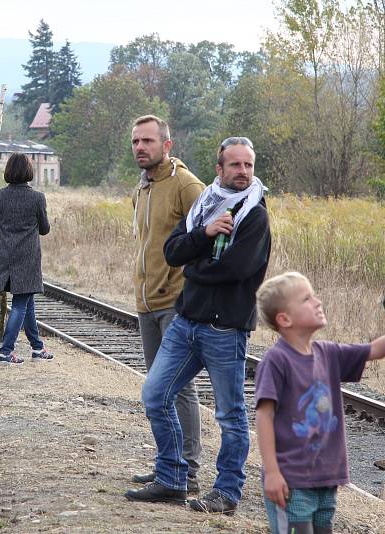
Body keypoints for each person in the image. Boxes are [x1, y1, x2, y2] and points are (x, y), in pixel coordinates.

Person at [125, 136, 271, 515]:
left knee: (230, 415)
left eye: (248, 165)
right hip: (186, 322)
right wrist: (204, 234)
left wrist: (194, 267)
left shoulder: (254, 214)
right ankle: (173, 477)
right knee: (155, 395)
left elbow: (235, 269)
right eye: (235, 165)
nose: (243, 172)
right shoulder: (204, 206)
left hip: (226, 329)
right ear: (219, 168)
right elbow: (172, 251)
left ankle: (226, 492)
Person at [254, 272, 385, 533]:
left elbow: (375, 350)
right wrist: (271, 472)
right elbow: (264, 417)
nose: (317, 301)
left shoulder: (329, 353)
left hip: (326, 480)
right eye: (306, 298)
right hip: (291, 481)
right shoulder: (277, 360)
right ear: (285, 319)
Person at [129, 115, 205, 494]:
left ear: (167, 145)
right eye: (136, 142)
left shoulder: (186, 185)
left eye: (148, 141)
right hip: (146, 302)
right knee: (158, 391)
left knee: (179, 388)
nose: (141, 147)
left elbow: (214, 234)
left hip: (177, 303)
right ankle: (167, 464)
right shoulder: (141, 187)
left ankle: (187, 471)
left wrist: (198, 291)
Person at [0, 153, 53, 365]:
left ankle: (37, 347)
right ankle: (6, 351)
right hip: (27, 257)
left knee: (26, 302)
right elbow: (44, 229)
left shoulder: (0, 196)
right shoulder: (37, 198)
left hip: (6, 255)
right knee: (20, 304)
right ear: (28, 172)